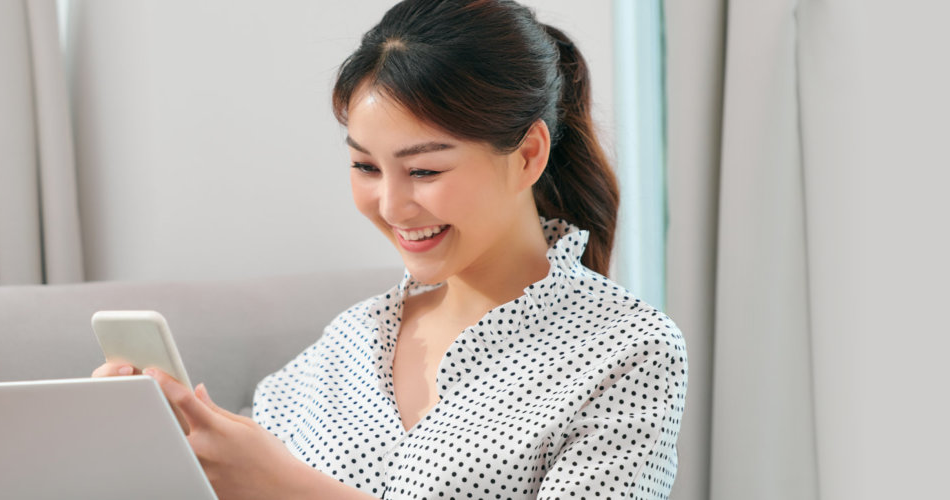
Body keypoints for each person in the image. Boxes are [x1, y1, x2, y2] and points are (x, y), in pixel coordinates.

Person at [91, 0, 687, 498]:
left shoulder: (627, 352)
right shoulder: (347, 345)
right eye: (364, 166)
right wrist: (155, 448)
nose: (392, 206)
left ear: (529, 155)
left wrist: (289, 488)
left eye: (424, 171)